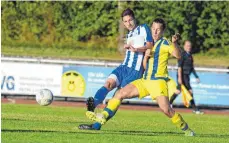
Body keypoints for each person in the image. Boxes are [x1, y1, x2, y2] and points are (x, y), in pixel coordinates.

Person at [82, 18, 195, 136]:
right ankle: (101, 118)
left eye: (158, 30)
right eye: (153, 29)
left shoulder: (165, 43)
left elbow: (178, 55)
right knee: (119, 94)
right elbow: (145, 66)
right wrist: (146, 57)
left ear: (163, 31)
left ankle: (186, 129)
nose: (155, 32)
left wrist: (175, 43)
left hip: (158, 82)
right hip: (145, 81)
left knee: (166, 110)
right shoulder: (149, 44)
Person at [80, 8, 153, 130]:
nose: (128, 23)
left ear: (134, 19)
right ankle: (92, 108)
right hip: (123, 67)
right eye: (125, 21)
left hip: (134, 71)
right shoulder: (129, 34)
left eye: (130, 20)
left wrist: (137, 49)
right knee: (108, 83)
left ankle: (96, 126)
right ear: (123, 23)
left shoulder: (143, 28)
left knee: (116, 97)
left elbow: (150, 45)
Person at [169, 40, 204, 114]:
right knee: (185, 91)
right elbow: (179, 67)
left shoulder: (190, 56)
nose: (189, 47)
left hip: (187, 77)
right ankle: (195, 109)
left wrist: (196, 77)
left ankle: (169, 104)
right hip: (182, 76)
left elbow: (192, 68)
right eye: (187, 46)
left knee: (183, 92)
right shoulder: (182, 54)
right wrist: (179, 78)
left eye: (190, 46)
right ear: (184, 46)